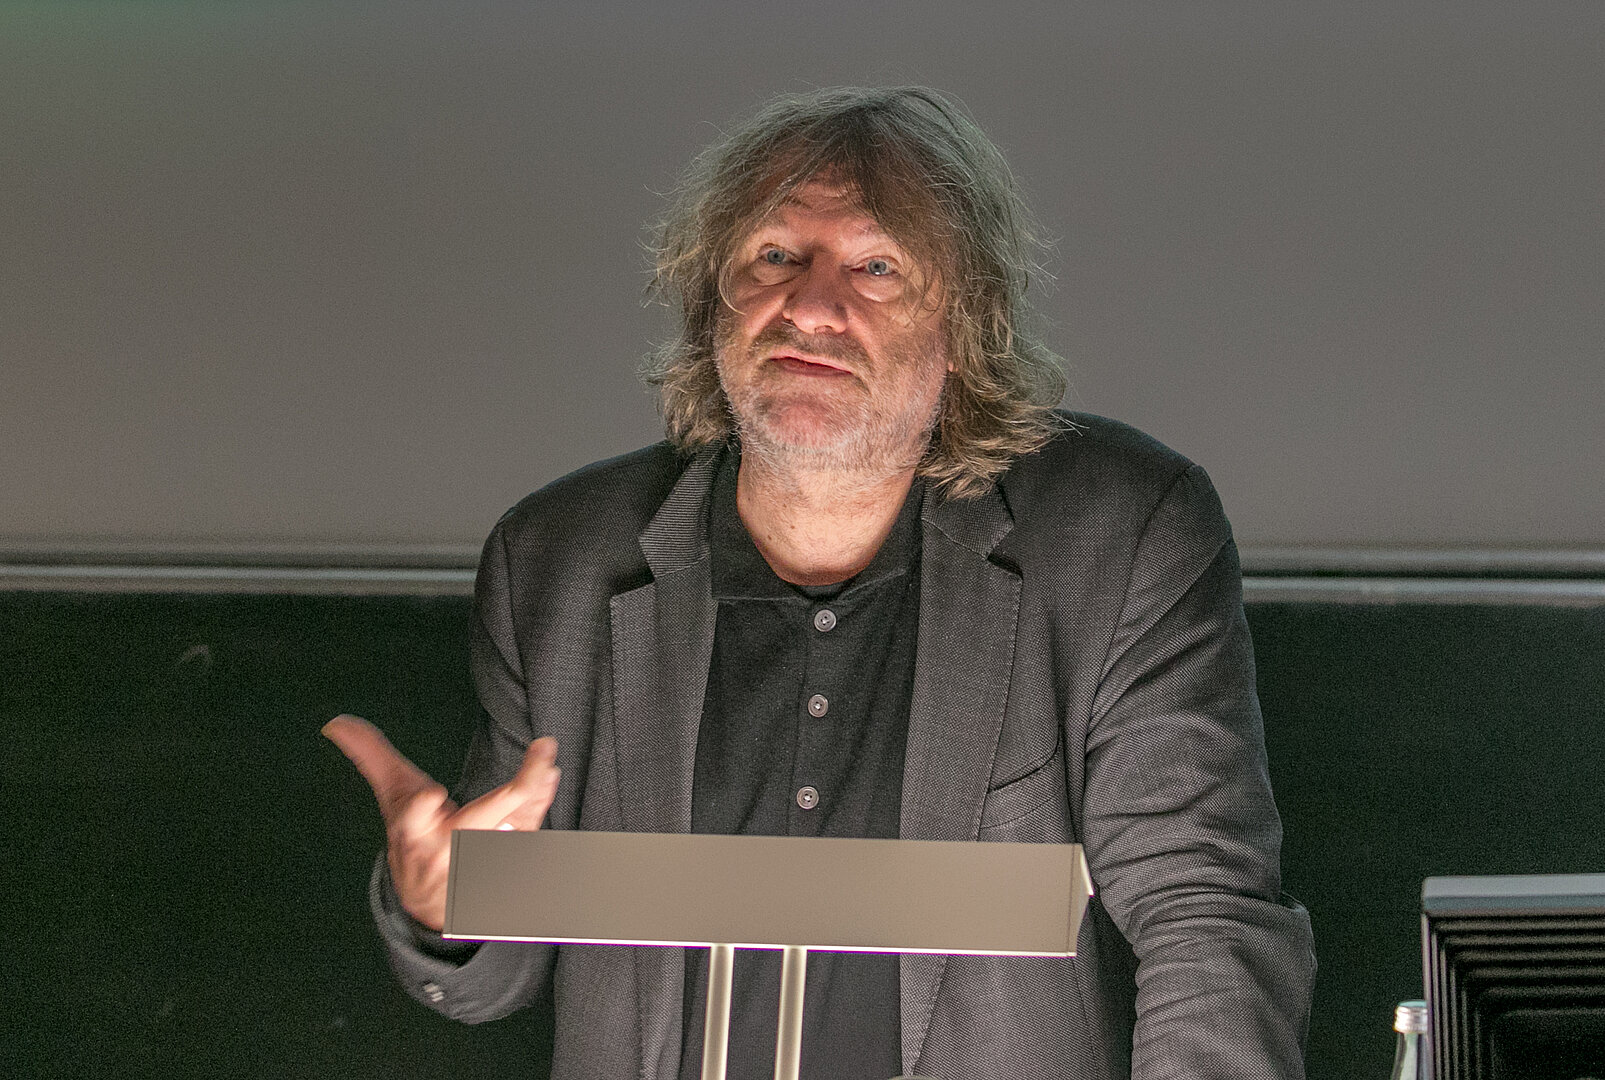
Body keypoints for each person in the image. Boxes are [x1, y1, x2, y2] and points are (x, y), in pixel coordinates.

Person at [326, 85, 1315, 1080]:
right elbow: (495, 973)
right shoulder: (558, 558)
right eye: (773, 256)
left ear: (964, 326)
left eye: (876, 267)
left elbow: (1205, 917)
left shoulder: (1122, 532)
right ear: (711, 300)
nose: (809, 306)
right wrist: (444, 903)